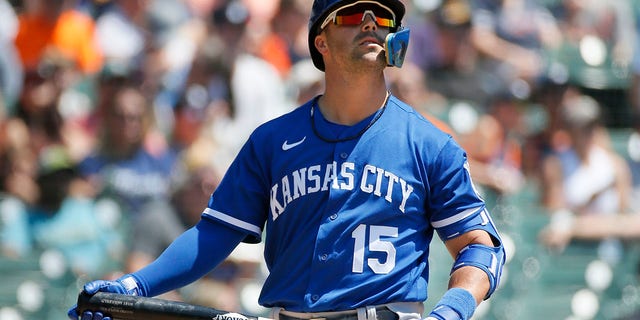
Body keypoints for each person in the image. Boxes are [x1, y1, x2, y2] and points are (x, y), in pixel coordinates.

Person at [68, 1, 505, 320]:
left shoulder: (431, 145)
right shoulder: (273, 141)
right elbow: (213, 236)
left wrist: (452, 311)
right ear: (321, 41)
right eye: (354, 15)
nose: (372, 24)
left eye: (383, 18)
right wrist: (134, 286)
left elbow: (481, 251)